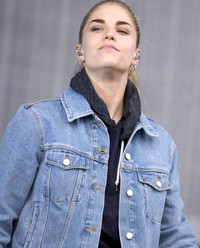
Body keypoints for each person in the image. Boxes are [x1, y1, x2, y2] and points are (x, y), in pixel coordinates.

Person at [0, 0, 198, 247]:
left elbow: (175, 238)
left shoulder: (162, 146)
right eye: (97, 28)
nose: (110, 34)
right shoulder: (36, 122)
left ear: (135, 55)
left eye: (122, 30)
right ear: (80, 50)